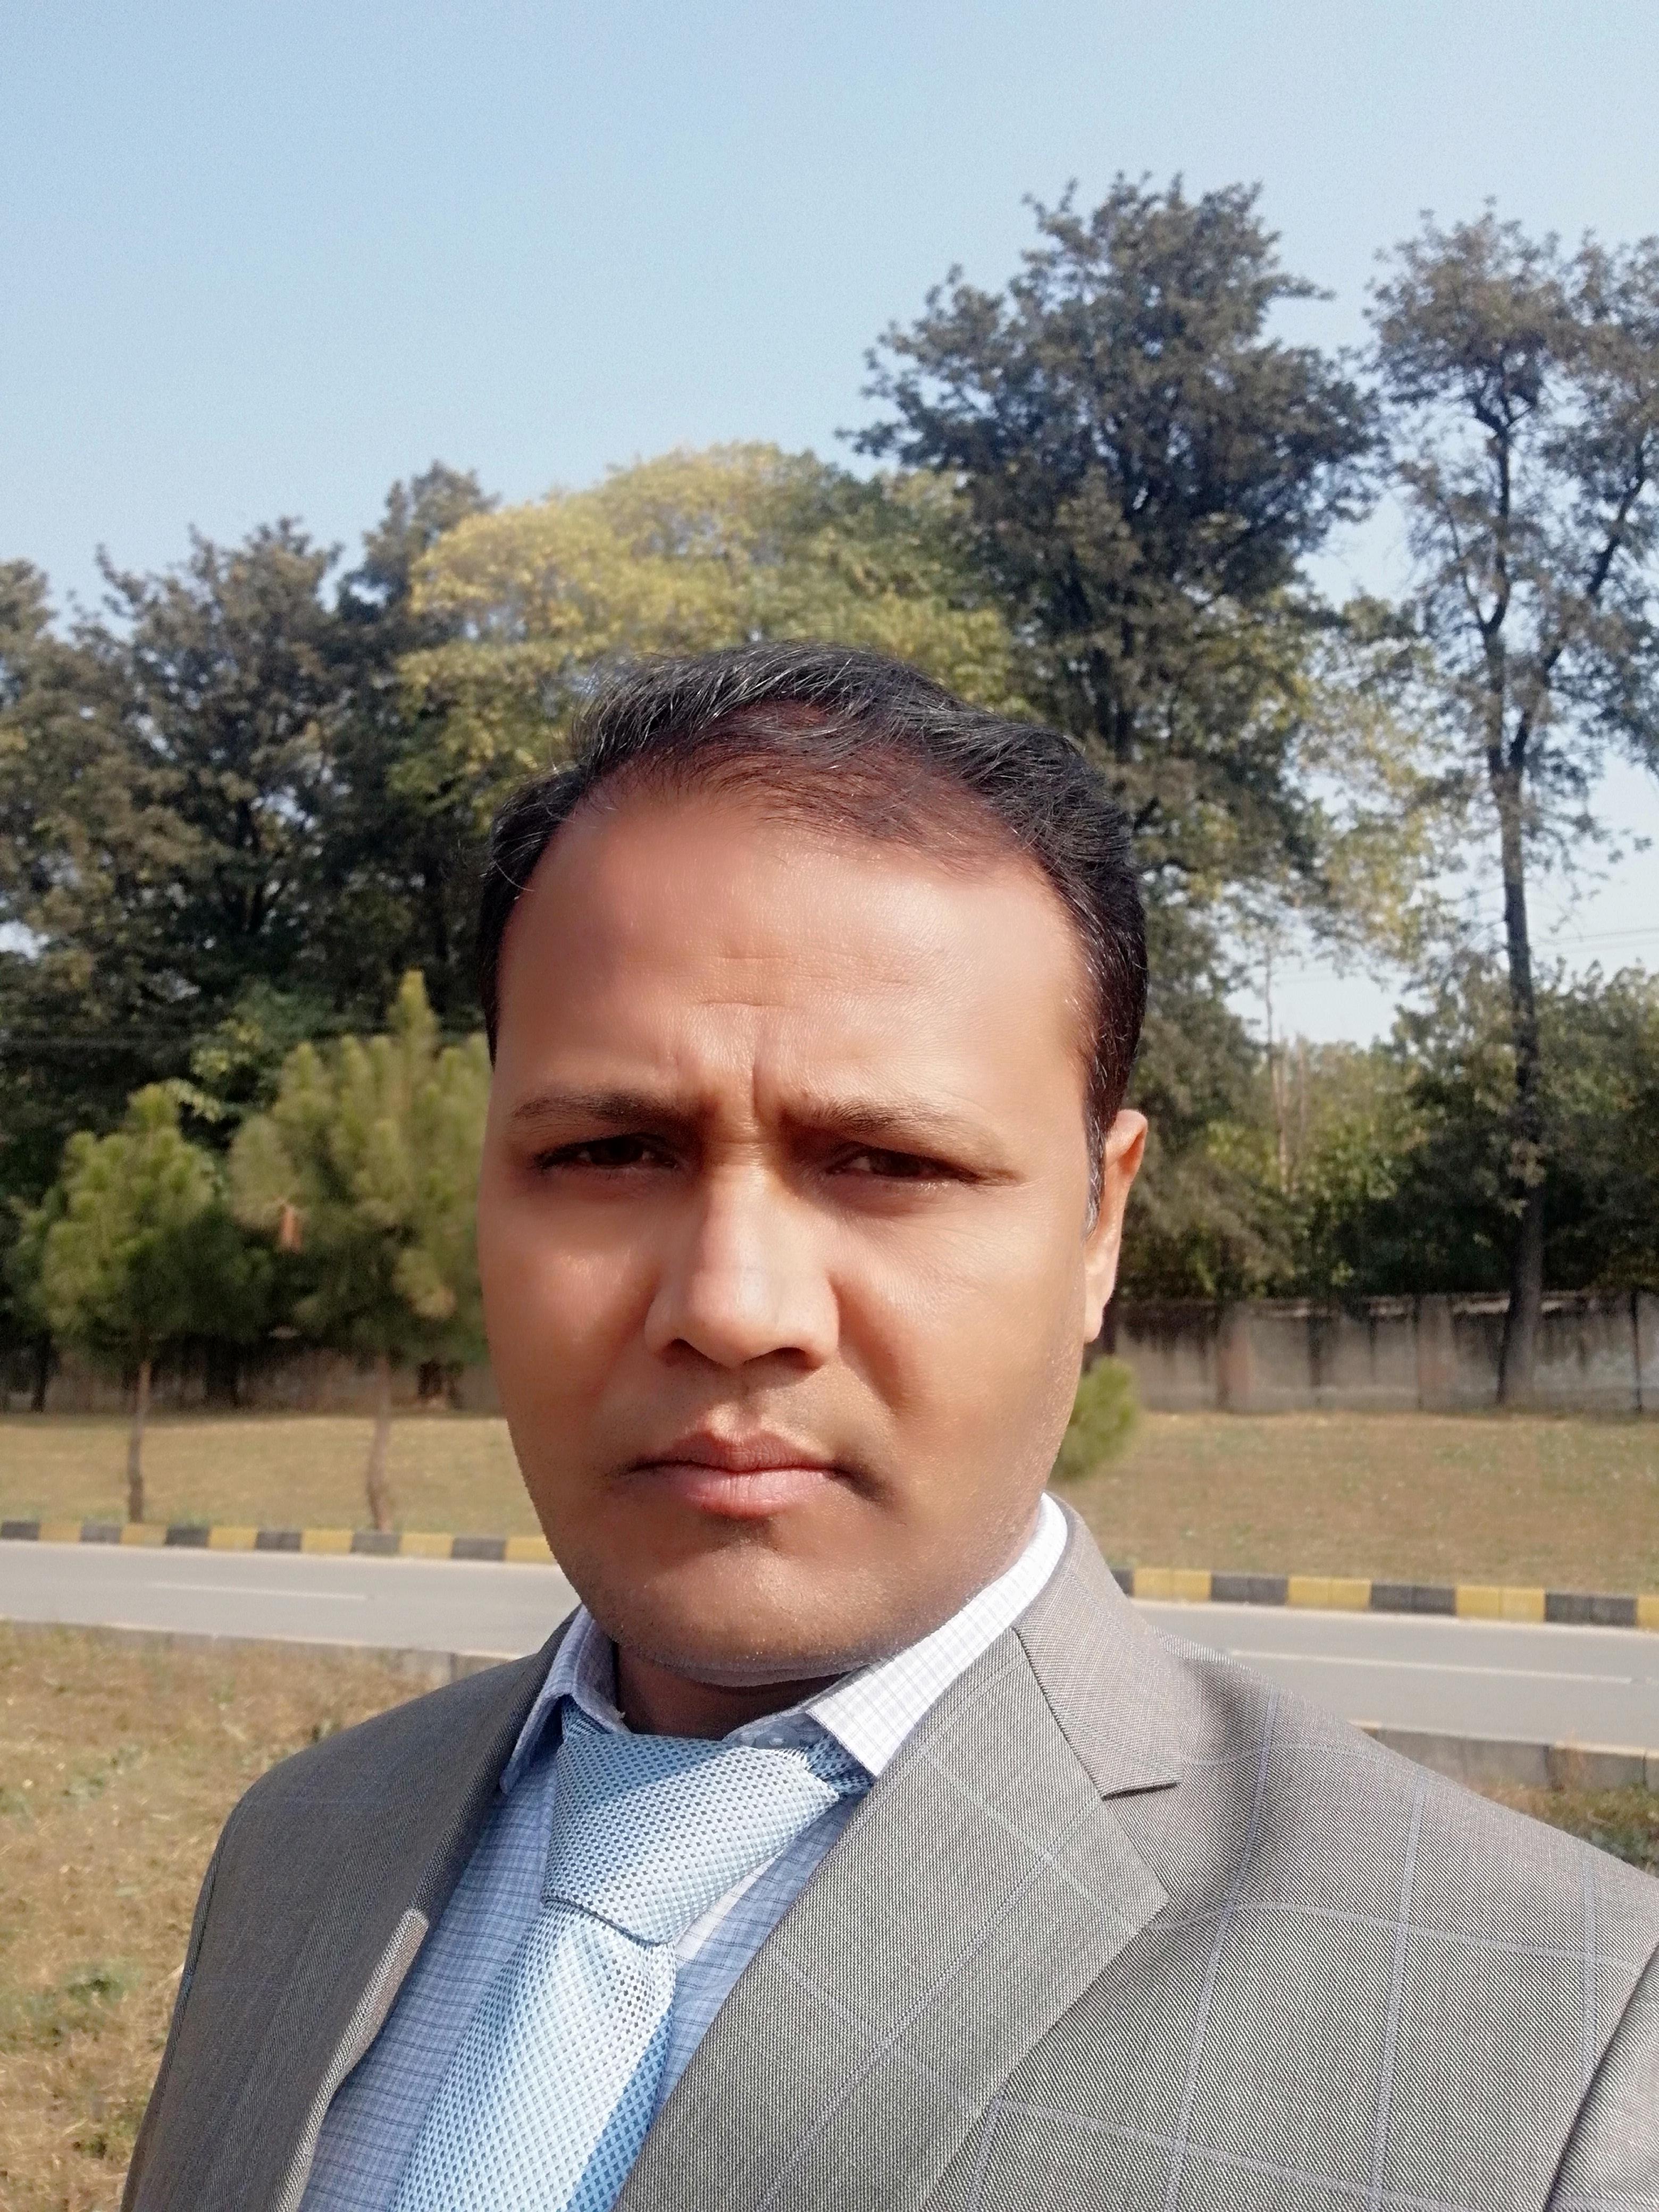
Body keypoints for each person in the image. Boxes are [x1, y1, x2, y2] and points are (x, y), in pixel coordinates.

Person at [123, 646, 1657, 2212]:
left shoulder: (1555, 2043)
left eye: (889, 1164)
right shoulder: (299, 1855)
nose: (734, 1306)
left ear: (1101, 1225)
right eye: (609, 1151)